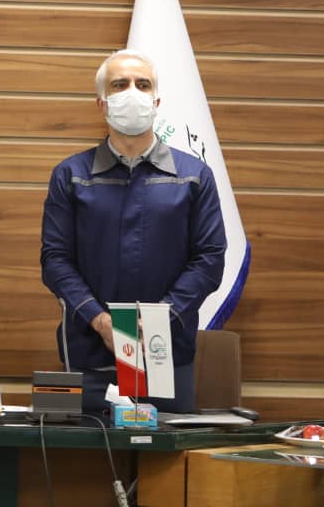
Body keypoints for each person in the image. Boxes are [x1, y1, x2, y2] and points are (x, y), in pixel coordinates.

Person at [40, 49, 226, 413]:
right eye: (119, 84)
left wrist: (160, 320)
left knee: (163, 450)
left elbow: (210, 260)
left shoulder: (194, 176)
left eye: (143, 85)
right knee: (89, 450)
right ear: (102, 103)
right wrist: (101, 321)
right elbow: (55, 260)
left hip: (166, 356)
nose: (132, 92)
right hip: (91, 354)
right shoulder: (71, 175)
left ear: (156, 102)